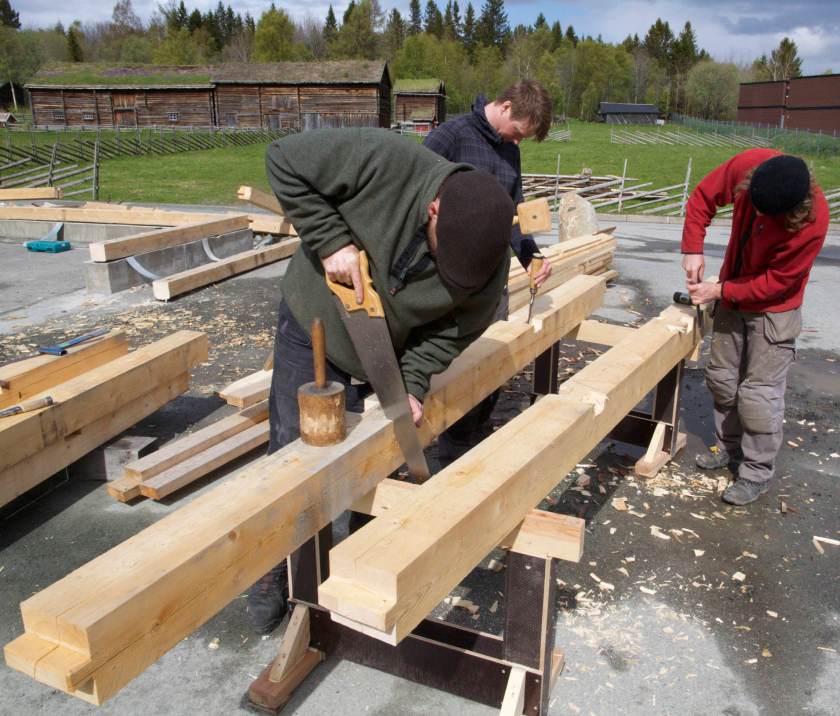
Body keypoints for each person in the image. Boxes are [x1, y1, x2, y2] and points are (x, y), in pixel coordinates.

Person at [246, 127, 516, 633]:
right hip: (317, 324)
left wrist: (411, 383)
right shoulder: (382, 160)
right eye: (443, 259)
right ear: (434, 209)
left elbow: (452, 332)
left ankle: (351, 561)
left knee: (367, 458)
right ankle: (275, 570)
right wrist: (331, 241)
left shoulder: (489, 262)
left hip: (386, 350)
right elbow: (281, 157)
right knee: (290, 452)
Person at [681, 148, 828, 506]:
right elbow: (702, 197)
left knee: (759, 394)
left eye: (766, 213)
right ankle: (727, 449)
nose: (757, 214)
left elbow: (776, 283)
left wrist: (719, 289)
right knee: (722, 377)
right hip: (732, 294)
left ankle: (755, 472)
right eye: (754, 205)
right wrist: (693, 248)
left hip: (774, 310)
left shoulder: (812, 222)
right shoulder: (750, 166)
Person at [423, 79, 554, 465]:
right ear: (507, 106)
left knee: (489, 357)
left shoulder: (509, 150)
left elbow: (514, 211)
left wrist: (531, 256)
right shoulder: (452, 136)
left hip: (491, 279)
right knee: (451, 360)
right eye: (518, 132)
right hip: (448, 276)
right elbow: (415, 192)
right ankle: (445, 444)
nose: (518, 142)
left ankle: (470, 438)